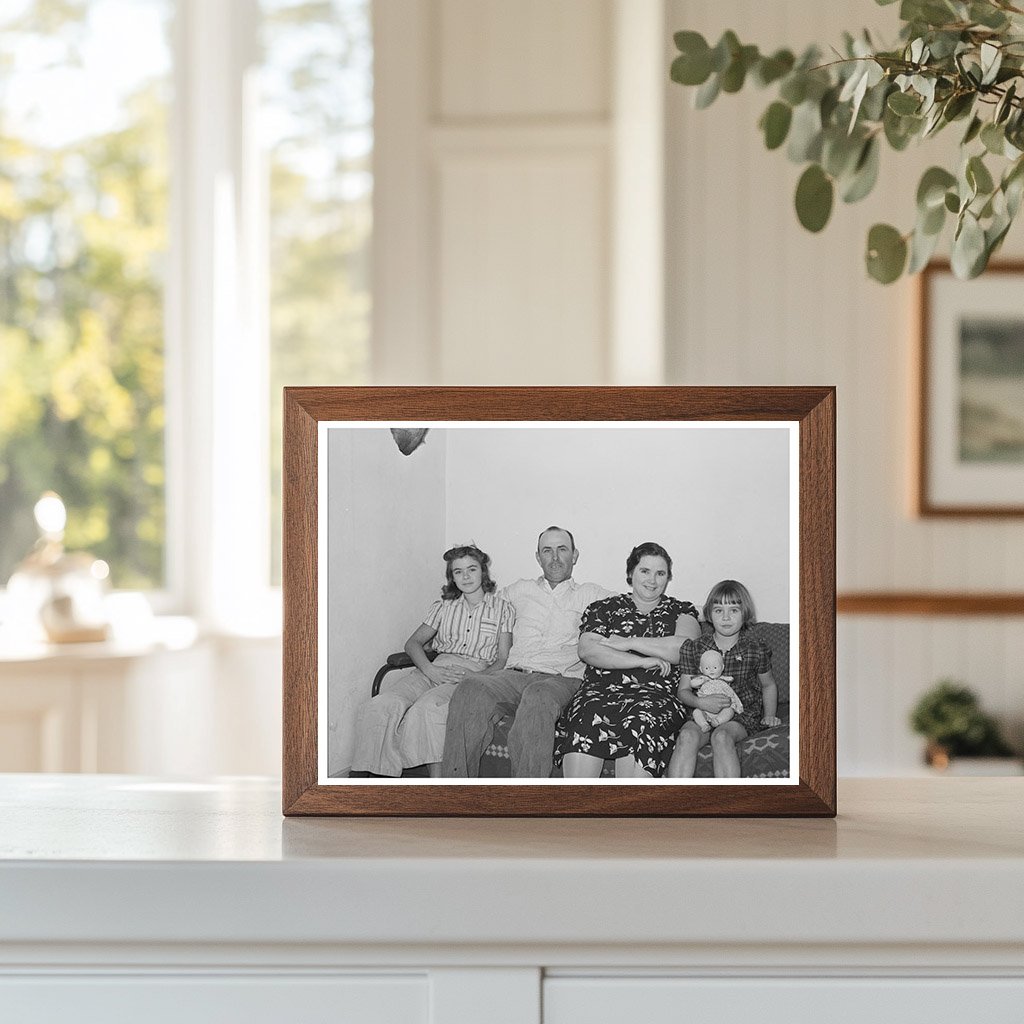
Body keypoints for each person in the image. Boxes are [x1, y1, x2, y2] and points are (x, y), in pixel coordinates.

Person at [440, 527, 611, 778]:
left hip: (560, 679)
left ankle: (527, 803)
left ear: (574, 555)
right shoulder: (518, 590)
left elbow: (636, 610)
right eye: (547, 551)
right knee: (471, 688)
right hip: (512, 676)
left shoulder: (592, 594)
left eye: (562, 550)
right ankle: (454, 795)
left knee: (538, 694)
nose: (554, 557)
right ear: (537, 557)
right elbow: (482, 607)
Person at [350, 544, 514, 778]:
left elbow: (502, 658)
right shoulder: (443, 607)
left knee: (428, 709)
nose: (466, 576)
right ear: (452, 577)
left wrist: (476, 678)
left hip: (470, 676)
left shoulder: (502, 609)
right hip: (434, 669)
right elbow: (413, 643)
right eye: (458, 571)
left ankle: (436, 787)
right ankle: (366, 783)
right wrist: (429, 670)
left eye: (472, 569)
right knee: (380, 706)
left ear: (483, 572)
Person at [555, 542, 701, 779]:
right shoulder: (604, 608)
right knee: (586, 716)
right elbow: (589, 651)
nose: (652, 580)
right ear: (631, 573)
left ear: (668, 578)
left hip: (656, 698)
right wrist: (642, 661)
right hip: (598, 693)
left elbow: (684, 648)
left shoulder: (681, 610)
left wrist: (628, 642)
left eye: (660, 573)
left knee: (642, 719)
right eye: (645, 571)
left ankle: (627, 812)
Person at [667, 579, 781, 779]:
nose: (726, 617)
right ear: (709, 614)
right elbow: (683, 690)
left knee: (721, 737)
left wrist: (769, 715)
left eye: (733, 611)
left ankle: (727, 804)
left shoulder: (755, 649)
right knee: (686, 736)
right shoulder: (694, 647)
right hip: (701, 711)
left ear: (745, 613)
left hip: (740, 715)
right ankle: (673, 802)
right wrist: (700, 702)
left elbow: (768, 684)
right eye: (719, 610)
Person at [688, 649, 743, 733]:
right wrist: (702, 680)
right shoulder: (703, 679)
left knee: (730, 711)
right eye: (707, 668)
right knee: (696, 712)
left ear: (722, 667)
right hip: (705, 708)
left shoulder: (722, 680)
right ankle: (704, 724)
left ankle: (718, 721)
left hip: (724, 707)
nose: (711, 670)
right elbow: (692, 683)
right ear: (701, 669)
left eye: (715, 667)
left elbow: (731, 681)